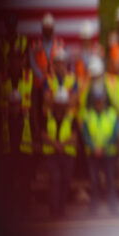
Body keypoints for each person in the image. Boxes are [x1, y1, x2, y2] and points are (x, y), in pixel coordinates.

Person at [82, 83, 119, 215]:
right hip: (93, 154)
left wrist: (103, 147)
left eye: (101, 101)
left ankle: (113, 208)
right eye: (97, 101)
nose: (99, 103)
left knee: (110, 181)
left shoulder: (112, 115)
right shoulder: (88, 115)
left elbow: (115, 134)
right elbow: (85, 134)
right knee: (94, 181)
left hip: (108, 153)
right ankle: (93, 209)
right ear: (94, 102)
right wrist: (94, 148)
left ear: (104, 101)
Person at [41, 89, 78, 218]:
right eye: (59, 103)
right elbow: (43, 133)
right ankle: (53, 210)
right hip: (52, 153)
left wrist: (62, 144)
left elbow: (74, 135)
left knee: (65, 181)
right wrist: (54, 144)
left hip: (67, 153)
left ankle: (62, 210)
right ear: (55, 103)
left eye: (64, 103)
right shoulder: (48, 116)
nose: (61, 105)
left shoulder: (71, 117)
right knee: (55, 180)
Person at [30, 13, 65, 89]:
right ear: (42, 29)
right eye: (46, 29)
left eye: (50, 29)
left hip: (54, 82)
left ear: (53, 29)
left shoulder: (60, 43)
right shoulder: (35, 45)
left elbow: (63, 62)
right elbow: (32, 63)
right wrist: (41, 76)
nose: (48, 31)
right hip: (39, 83)